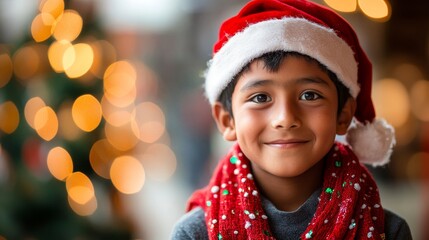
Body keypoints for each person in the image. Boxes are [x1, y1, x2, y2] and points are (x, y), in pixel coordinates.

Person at [171, 0, 412, 239]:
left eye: (309, 95)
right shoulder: (196, 233)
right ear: (226, 120)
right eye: (260, 97)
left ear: (344, 114)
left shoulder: (387, 231)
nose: (285, 119)